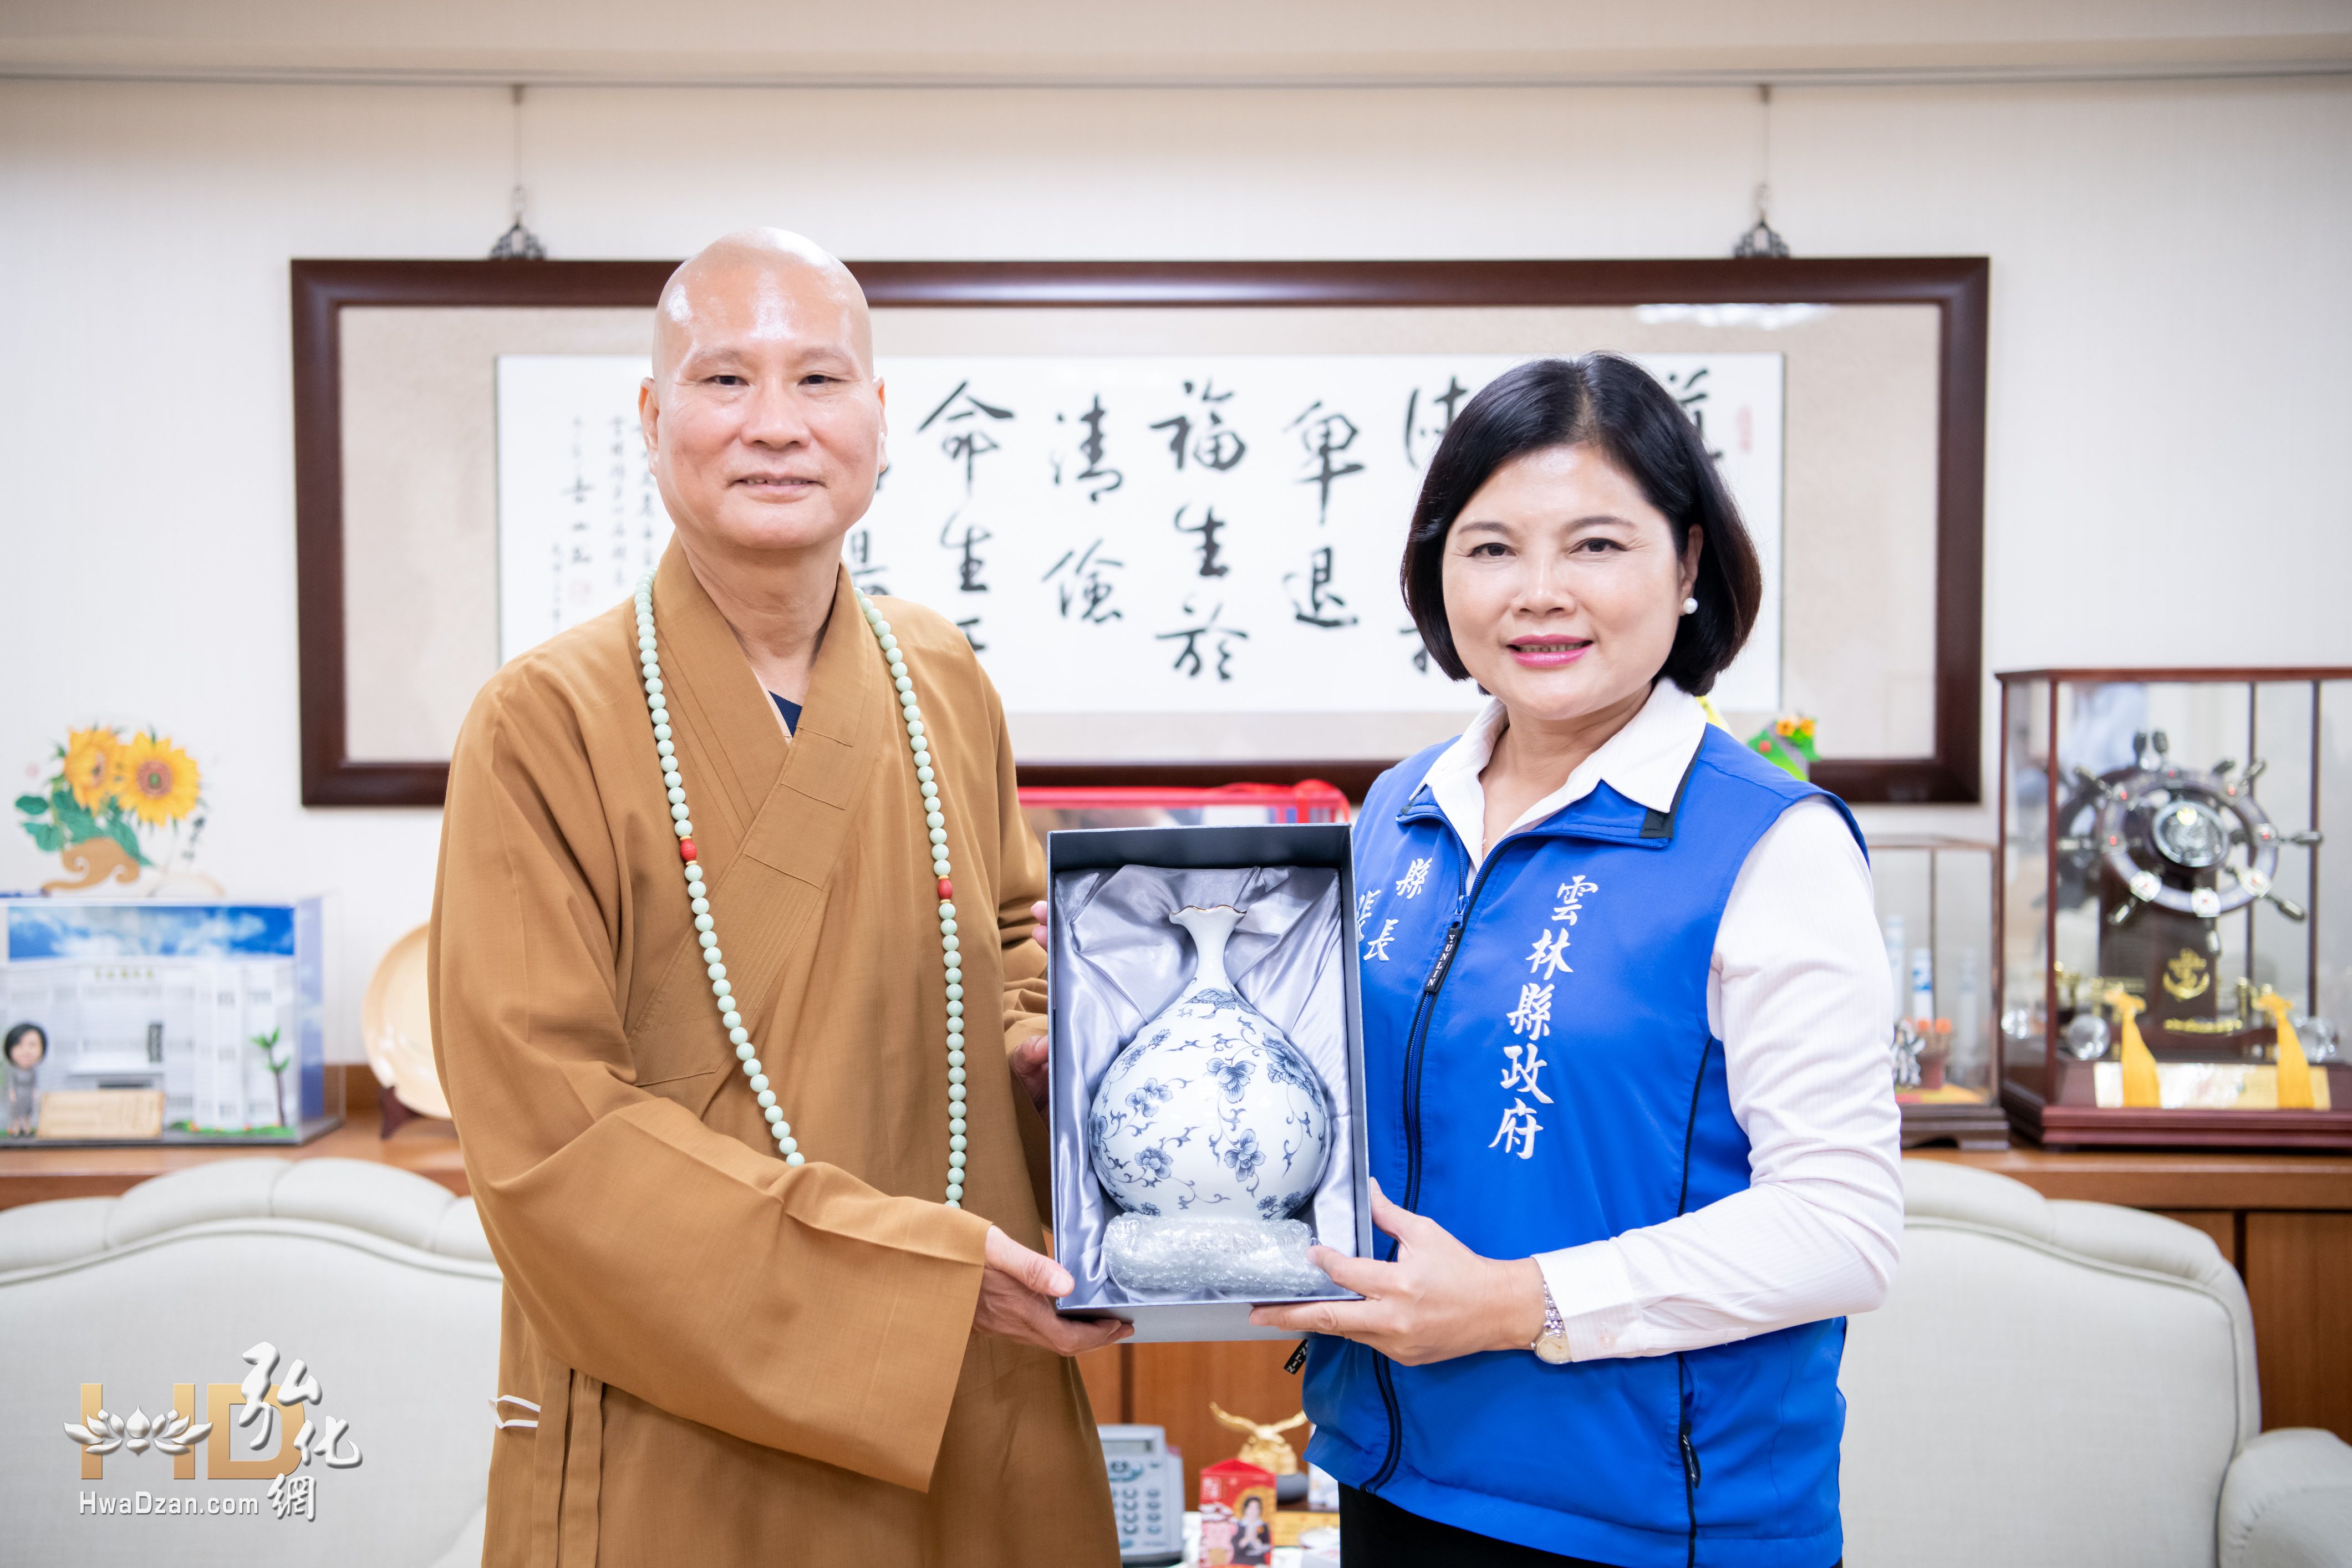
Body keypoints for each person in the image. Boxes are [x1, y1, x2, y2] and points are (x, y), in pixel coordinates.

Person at [430, 228, 1127, 1566]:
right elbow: (548, 1136)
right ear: (652, 420)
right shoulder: (543, 722)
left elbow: (1014, 946)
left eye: (818, 378)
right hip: (689, 1399)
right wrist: (914, 1283)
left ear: (880, 415)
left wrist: (1063, 1052)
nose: (775, 424)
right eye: (724, 379)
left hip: (968, 1389)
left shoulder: (940, 677)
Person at [1253, 355, 1902, 1567]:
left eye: (1596, 545)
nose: (1539, 593)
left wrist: (1517, 1303)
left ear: (1689, 563)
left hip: (1653, 1522)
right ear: (1438, 573)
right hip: (1387, 1472)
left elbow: (1842, 1225)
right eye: (1491, 548)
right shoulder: (1397, 811)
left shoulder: (1773, 843)